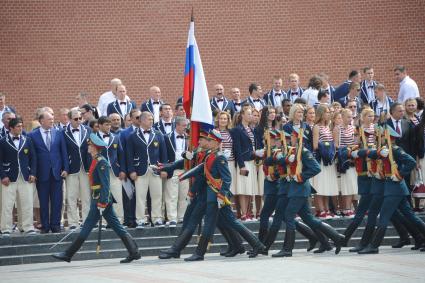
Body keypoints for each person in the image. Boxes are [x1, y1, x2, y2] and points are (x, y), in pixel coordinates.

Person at [52, 133, 141, 263]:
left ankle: (68, 254)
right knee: (116, 226)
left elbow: (105, 184)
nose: (88, 147)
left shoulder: (102, 162)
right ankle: (134, 252)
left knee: (87, 226)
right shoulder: (96, 160)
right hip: (99, 199)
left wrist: (103, 202)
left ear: (94, 147)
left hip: (101, 200)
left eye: (89, 145)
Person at [273, 127, 344, 257]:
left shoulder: (304, 152)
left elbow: (316, 168)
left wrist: (301, 176)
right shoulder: (293, 152)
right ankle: (336, 238)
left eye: (293, 137)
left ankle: (287, 249)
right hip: (294, 190)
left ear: (298, 138)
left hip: (299, 190)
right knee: (309, 219)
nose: (291, 139)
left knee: (289, 215)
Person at [359, 126, 425, 254]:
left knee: (384, 217)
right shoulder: (384, 150)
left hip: (395, 189)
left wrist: (400, 174)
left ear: (388, 138)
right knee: (410, 217)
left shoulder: (395, 149)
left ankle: (374, 246)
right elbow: (368, 154)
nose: (380, 138)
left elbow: (411, 162)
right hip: (392, 189)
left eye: (382, 136)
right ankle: (419, 238)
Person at [28, 111, 69, 233]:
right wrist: (33, 173)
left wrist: (66, 168)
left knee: (57, 200)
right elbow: (33, 156)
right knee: (43, 201)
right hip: (41, 174)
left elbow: (63, 152)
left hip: (57, 173)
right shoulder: (32, 135)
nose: (52, 121)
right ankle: (45, 225)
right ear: (41, 121)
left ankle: (55, 224)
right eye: (49, 119)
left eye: (52, 119)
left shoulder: (59, 133)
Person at [126, 111, 167, 228]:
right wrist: (131, 170)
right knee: (140, 196)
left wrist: (164, 169)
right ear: (142, 120)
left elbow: (163, 154)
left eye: (152, 119)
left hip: (156, 169)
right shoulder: (132, 136)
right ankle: (140, 220)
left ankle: (157, 218)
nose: (151, 121)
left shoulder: (159, 134)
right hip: (140, 170)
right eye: (149, 119)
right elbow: (129, 155)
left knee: (157, 195)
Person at [0, 117, 37, 236]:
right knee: (7, 204)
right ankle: (5, 228)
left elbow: (33, 158)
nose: (21, 128)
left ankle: (27, 226)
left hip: (25, 176)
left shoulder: (27, 140)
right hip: (8, 178)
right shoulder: (2, 141)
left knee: (27, 202)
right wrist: (3, 176)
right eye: (18, 126)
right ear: (11, 128)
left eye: (21, 126)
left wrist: (33, 173)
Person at [62, 109, 92, 230]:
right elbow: (63, 151)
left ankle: (87, 221)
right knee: (71, 196)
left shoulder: (88, 130)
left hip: (85, 168)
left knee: (86, 196)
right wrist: (65, 168)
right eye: (76, 119)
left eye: (80, 118)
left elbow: (91, 149)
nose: (79, 121)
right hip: (71, 168)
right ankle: (73, 222)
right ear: (69, 119)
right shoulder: (63, 132)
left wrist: (91, 167)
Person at [97, 116, 126, 223]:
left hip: (115, 171)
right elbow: (89, 156)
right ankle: (103, 221)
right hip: (100, 172)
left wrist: (122, 170)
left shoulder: (116, 137)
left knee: (118, 196)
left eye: (109, 125)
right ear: (99, 125)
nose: (109, 127)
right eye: (106, 124)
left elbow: (121, 155)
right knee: (102, 196)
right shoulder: (93, 138)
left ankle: (118, 219)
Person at [232, 107, 260, 221]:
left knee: (249, 188)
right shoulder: (237, 129)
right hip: (244, 162)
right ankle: (243, 213)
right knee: (243, 188)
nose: (251, 116)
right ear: (242, 115)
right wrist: (241, 164)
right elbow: (237, 149)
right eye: (248, 114)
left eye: (251, 114)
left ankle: (248, 212)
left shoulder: (251, 129)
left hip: (252, 161)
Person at [312, 104, 338, 218]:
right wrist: (327, 147)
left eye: (329, 112)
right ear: (321, 114)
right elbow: (315, 145)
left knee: (327, 185)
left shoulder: (328, 127)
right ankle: (320, 210)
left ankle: (327, 209)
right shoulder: (316, 127)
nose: (329, 114)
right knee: (320, 185)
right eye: (327, 112)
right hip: (321, 159)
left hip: (329, 160)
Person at [163, 116, 189, 226]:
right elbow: (163, 155)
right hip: (172, 169)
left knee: (184, 195)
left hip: (185, 170)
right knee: (171, 195)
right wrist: (164, 169)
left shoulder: (189, 138)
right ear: (177, 125)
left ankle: (181, 217)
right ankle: (172, 217)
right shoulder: (166, 137)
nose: (186, 128)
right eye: (184, 126)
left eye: (186, 126)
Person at [334, 109, 357, 217]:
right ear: (342, 117)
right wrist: (347, 150)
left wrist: (354, 149)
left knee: (352, 184)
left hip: (353, 159)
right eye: (348, 117)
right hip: (344, 160)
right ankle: (346, 208)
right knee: (346, 184)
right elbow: (336, 146)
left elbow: (357, 142)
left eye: (351, 117)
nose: (350, 119)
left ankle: (349, 207)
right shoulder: (337, 128)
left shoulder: (353, 128)